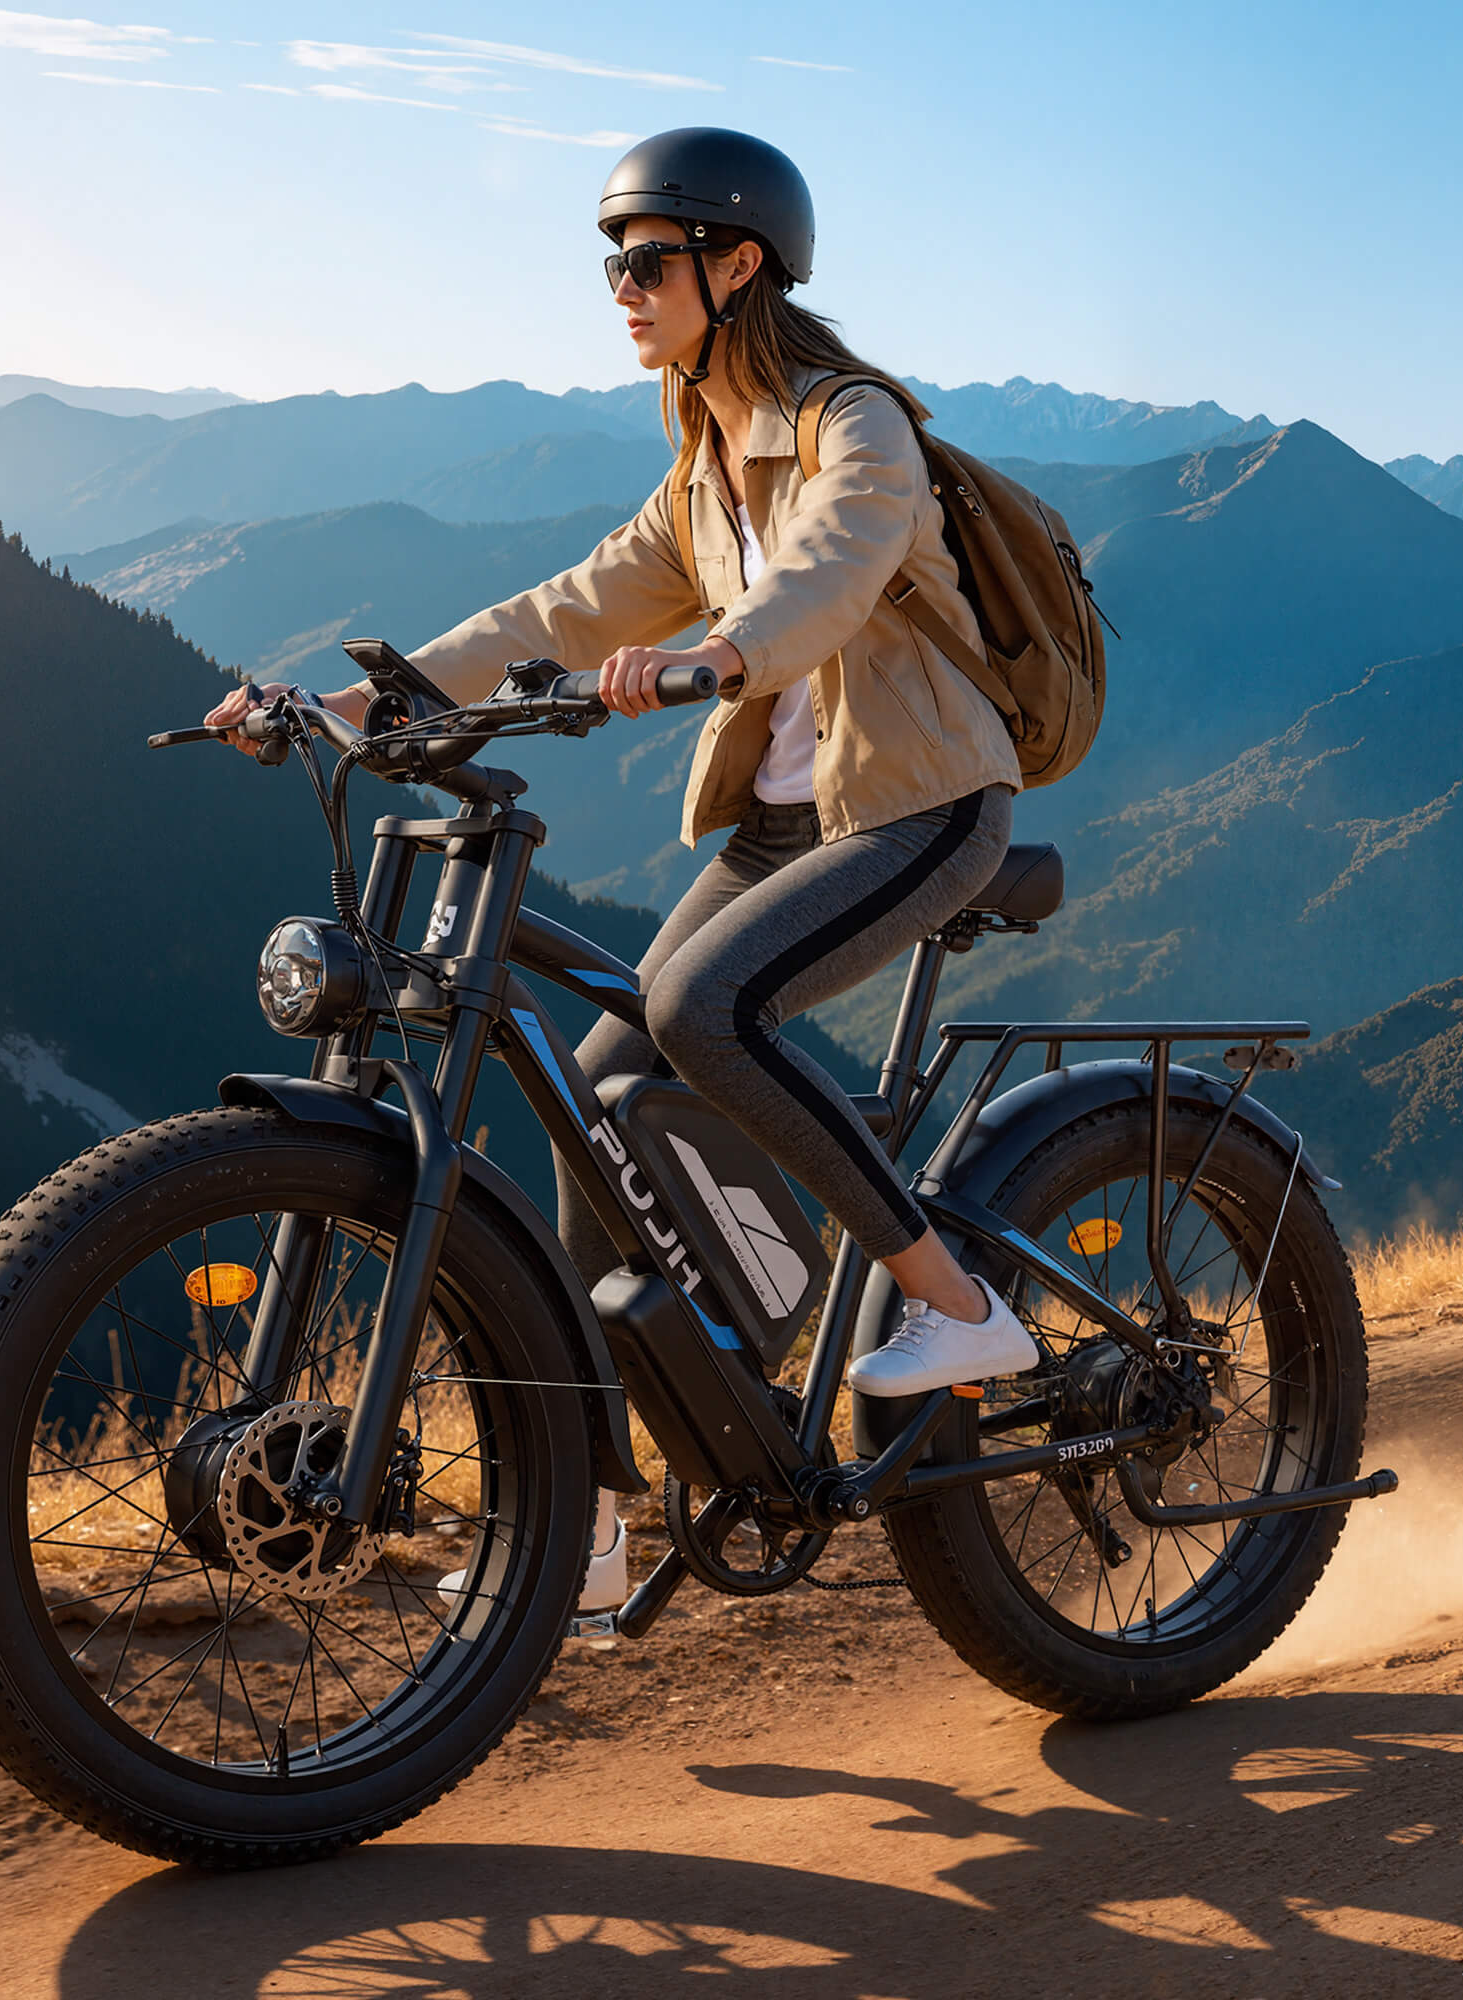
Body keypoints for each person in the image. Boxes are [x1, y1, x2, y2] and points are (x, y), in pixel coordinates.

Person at [207, 127, 1038, 1614]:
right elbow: (568, 605)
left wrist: (725, 651)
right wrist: (347, 706)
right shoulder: (703, 458)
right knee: (601, 1084)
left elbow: (833, 570)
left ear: (738, 266)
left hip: (920, 808)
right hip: (794, 827)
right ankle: (588, 1507)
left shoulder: (857, 427)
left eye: (646, 261)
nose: (621, 288)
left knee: (708, 1011)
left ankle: (959, 1307)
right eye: (612, 263)